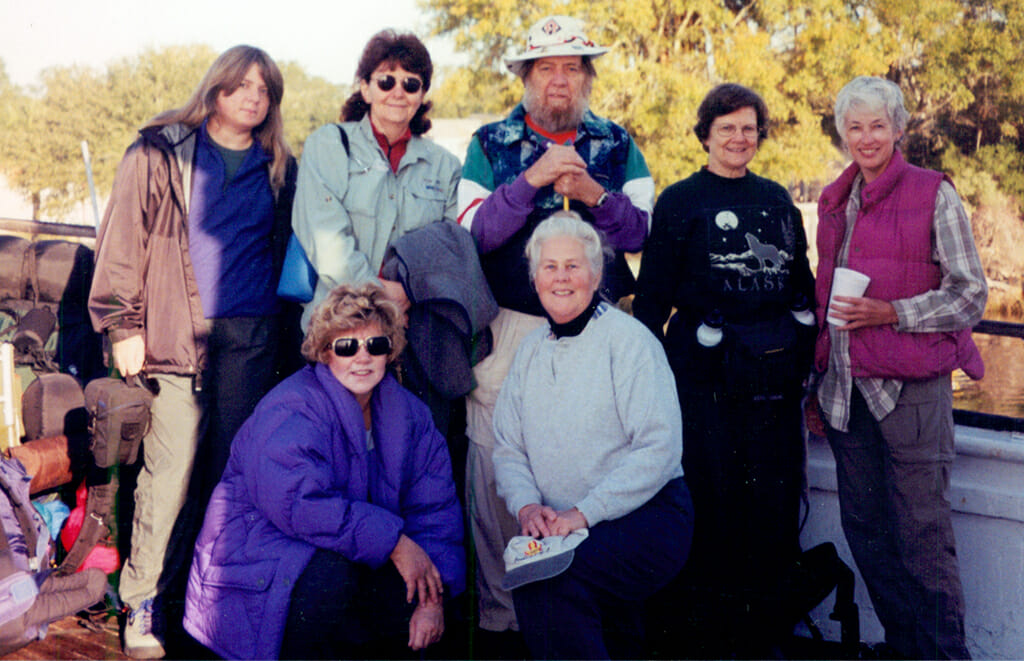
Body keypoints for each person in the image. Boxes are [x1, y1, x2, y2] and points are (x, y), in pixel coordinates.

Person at [88, 45, 296, 659]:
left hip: (252, 341)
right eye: (241, 85)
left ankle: (210, 605)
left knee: (233, 480)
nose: (253, 97)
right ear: (215, 89)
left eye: (264, 89)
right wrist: (121, 325)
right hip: (175, 339)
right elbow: (121, 241)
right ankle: (142, 602)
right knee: (169, 476)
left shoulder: (281, 165)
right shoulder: (159, 151)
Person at [457, 14, 654, 636]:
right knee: (499, 459)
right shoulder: (490, 142)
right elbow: (473, 232)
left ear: (587, 76)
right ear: (527, 76)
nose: (560, 79)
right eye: (546, 68)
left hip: (599, 326)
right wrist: (531, 181)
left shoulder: (617, 143)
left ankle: (583, 610)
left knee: (597, 452)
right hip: (512, 325)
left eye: (572, 67)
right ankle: (503, 620)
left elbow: (642, 233)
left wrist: (594, 192)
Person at [183, 283, 465, 660]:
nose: (362, 358)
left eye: (375, 345)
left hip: (353, 547)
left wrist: (432, 600)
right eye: (346, 346)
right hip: (260, 557)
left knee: (414, 596)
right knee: (330, 578)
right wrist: (395, 543)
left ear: (391, 350)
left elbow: (435, 512)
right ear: (325, 351)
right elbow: (301, 504)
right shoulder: (292, 406)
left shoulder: (412, 416)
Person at [632, 83, 816, 656]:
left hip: (771, 385)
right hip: (704, 385)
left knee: (773, 508)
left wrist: (802, 365)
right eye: (727, 128)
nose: (739, 138)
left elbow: (802, 287)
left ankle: (765, 637)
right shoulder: (680, 201)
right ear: (705, 135)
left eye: (749, 128)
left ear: (760, 135)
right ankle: (707, 639)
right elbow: (651, 300)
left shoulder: (777, 200)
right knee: (710, 506)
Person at [807, 76, 986, 660]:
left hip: (910, 395)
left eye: (878, 126)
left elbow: (970, 295)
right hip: (845, 394)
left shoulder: (935, 193)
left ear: (899, 129)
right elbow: (824, 302)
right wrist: (815, 385)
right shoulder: (835, 199)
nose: (866, 138)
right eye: (855, 127)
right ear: (843, 133)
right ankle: (907, 650)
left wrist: (892, 312)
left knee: (922, 539)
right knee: (866, 534)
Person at [491, 212, 692, 659]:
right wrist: (527, 506)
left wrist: (583, 514)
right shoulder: (528, 352)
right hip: (564, 526)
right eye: (549, 267)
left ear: (596, 275)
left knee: (551, 584)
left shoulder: (630, 342)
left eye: (573, 266)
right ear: (534, 278)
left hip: (647, 515)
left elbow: (659, 448)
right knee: (541, 579)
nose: (561, 277)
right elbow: (508, 447)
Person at [291, 29, 460, 331]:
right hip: (338, 329)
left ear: (422, 95)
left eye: (411, 84)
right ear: (366, 89)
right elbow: (327, 242)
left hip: (413, 330)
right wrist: (380, 295)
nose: (398, 92)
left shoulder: (446, 167)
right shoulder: (328, 145)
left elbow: (450, 250)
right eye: (386, 81)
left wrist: (411, 292)